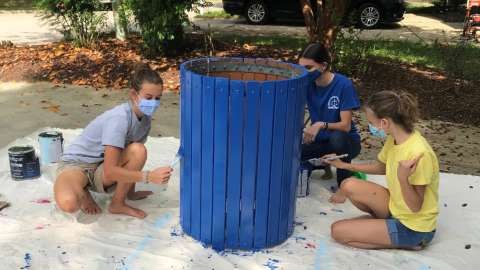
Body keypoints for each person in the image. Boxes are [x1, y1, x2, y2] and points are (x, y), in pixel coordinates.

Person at [53, 64, 173, 219]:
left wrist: (131, 192)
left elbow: (133, 155)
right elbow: (111, 171)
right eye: (148, 97)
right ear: (134, 95)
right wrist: (148, 177)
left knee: (138, 149)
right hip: (77, 165)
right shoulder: (119, 118)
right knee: (69, 204)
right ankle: (81, 190)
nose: (154, 102)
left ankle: (118, 203)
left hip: (101, 170)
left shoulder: (145, 119)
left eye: (158, 98)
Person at [325, 91, 439, 250]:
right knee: (348, 184)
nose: (370, 126)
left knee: (337, 231)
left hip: (414, 228)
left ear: (384, 123)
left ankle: (409, 243)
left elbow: (416, 207)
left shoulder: (419, 153)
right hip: (396, 207)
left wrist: (402, 178)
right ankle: (382, 227)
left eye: (371, 122)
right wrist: (344, 165)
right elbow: (382, 167)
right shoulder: (396, 138)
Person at [298, 43, 362, 203]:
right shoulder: (306, 85)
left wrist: (319, 124)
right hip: (322, 142)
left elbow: (345, 125)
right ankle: (323, 165)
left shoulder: (343, 84)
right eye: (301, 67)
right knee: (296, 154)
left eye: (308, 68)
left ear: (324, 65)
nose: (303, 73)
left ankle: (344, 183)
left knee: (337, 139)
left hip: (347, 143)